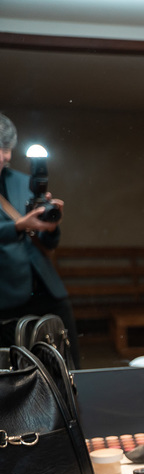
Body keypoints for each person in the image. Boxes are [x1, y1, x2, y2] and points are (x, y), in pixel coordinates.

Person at [0, 112, 79, 367]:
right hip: (7, 294)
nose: (7, 156)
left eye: (9, 148)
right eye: (1, 148)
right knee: (20, 372)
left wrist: (50, 226)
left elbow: (48, 242)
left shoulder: (24, 181)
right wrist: (18, 226)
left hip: (47, 288)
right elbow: (18, 228)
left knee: (67, 365)